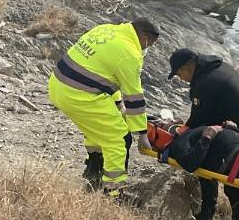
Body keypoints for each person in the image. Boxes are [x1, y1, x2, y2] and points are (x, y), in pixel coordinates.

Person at [48, 19, 160, 198]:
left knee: (97, 130)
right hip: (80, 95)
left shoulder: (105, 30)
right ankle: (113, 193)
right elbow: (134, 96)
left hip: (58, 85)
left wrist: (117, 104)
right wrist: (141, 133)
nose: (148, 48)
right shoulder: (130, 53)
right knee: (119, 139)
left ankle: (93, 173)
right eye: (150, 44)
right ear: (144, 37)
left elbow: (102, 73)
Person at [168, 48, 239, 220]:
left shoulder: (205, 83)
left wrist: (180, 132)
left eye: (179, 73)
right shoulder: (217, 68)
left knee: (233, 183)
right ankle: (208, 217)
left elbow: (199, 120)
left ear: (188, 67)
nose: (180, 78)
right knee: (212, 167)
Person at [146, 119, 239, 191]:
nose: (166, 120)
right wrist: (207, 137)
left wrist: (234, 130)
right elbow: (189, 163)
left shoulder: (187, 133)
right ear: (161, 133)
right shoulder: (177, 144)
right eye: (161, 123)